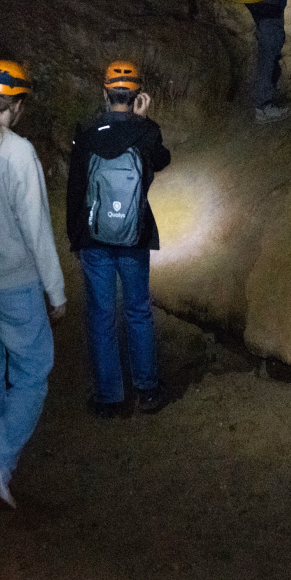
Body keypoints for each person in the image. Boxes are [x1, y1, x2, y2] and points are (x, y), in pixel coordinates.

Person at [0, 59, 66, 509]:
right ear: (16, 106)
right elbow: (36, 228)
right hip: (15, 284)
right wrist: (56, 291)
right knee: (34, 371)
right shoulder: (18, 153)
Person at [66, 60, 172, 416]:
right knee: (138, 311)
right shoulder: (146, 131)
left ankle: (110, 397)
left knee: (101, 315)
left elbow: (76, 189)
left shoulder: (85, 131)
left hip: (94, 238)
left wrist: (75, 237)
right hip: (134, 235)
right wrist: (143, 121)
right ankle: (147, 390)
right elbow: (162, 161)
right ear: (138, 94)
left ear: (105, 92)